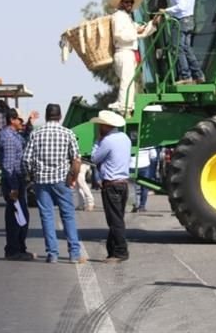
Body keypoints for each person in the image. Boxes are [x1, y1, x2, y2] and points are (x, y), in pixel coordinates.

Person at [22, 103, 86, 264]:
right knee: (68, 216)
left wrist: (32, 175)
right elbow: (76, 159)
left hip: (41, 182)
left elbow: (26, 159)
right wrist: (72, 178)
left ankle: (52, 254)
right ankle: (74, 254)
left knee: (47, 217)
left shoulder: (36, 134)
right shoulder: (68, 133)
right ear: (60, 116)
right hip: (62, 181)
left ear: (46, 115)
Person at [90, 110, 132, 263]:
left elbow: (95, 158)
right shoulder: (125, 138)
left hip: (111, 184)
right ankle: (112, 250)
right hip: (123, 183)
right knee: (117, 218)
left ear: (106, 126)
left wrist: (96, 142)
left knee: (115, 221)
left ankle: (121, 251)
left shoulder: (107, 141)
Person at [109, 0, 157, 113]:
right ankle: (124, 108)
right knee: (127, 81)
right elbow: (120, 35)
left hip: (129, 53)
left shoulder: (127, 18)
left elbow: (142, 31)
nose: (129, 4)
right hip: (123, 52)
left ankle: (127, 106)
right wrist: (136, 32)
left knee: (130, 82)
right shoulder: (118, 16)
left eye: (130, 2)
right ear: (121, 3)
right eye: (126, 2)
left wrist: (154, 23)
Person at [160, 0, 205, 85]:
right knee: (187, 48)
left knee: (178, 48)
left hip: (181, 20)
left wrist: (165, 11)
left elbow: (181, 6)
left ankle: (186, 76)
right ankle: (199, 74)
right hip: (190, 19)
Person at [0, 108, 33, 261]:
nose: (22, 123)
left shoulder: (14, 136)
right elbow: (8, 165)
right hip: (13, 181)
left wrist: (30, 123)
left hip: (17, 180)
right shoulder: (8, 138)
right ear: (12, 120)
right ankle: (14, 250)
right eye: (21, 120)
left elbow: (24, 140)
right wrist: (13, 187)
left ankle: (18, 248)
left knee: (20, 216)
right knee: (18, 217)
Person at [132, 145, 158, 213]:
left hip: (131, 165)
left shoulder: (129, 140)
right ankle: (142, 206)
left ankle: (134, 205)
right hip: (144, 165)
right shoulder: (148, 142)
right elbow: (153, 155)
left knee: (132, 187)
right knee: (144, 187)